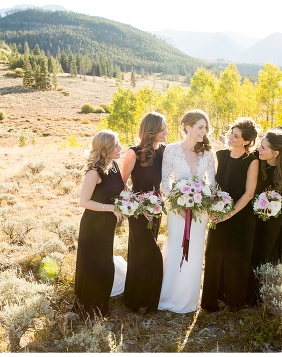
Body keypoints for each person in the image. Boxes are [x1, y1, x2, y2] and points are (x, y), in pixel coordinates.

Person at [158, 110, 216, 313]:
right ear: (187, 127)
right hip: (177, 209)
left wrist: (207, 201)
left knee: (195, 250)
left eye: (206, 127)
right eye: (201, 127)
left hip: (200, 212)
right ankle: (168, 295)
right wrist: (178, 203)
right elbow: (165, 181)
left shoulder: (208, 153)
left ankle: (188, 301)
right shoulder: (171, 150)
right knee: (176, 245)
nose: (204, 131)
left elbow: (212, 182)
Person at [201, 118, 260, 312]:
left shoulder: (251, 161)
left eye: (236, 136)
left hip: (240, 216)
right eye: (230, 133)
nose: (230, 137)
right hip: (217, 213)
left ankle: (233, 299)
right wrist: (211, 208)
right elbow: (211, 185)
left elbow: (249, 193)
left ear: (246, 141)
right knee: (214, 254)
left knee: (235, 257)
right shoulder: (219, 155)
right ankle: (212, 299)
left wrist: (230, 214)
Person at [119, 112, 168, 314]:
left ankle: (147, 299)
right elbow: (121, 182)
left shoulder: (165, 151)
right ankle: (134, 299)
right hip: (137, 209)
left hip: (156, 208)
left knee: (147, 252)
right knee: (144, 252)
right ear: (152, 130)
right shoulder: (134, 152)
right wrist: (138, 207)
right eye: (163, 129)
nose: (166, 132)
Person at [74, 130, 125, 318]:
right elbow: (84, 202)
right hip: (93, 226)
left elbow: (120, 190)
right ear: (104, 151)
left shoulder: (114, 166)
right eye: (116, 145)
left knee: (105, 264)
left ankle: (101, 305)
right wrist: (112, 208)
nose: (120, 148)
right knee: (93, 265)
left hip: (107, 225)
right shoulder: (93, 173)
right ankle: (87, 308)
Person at [247, 129, 282, 305]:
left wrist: (280, 201)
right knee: (252, 244)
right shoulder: (257, 159)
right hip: (252, 210)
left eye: (263, 147)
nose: (258, 149)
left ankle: (265, 287)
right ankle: (248, 288)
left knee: (267, 245)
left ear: (276, 153)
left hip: (273, 214)